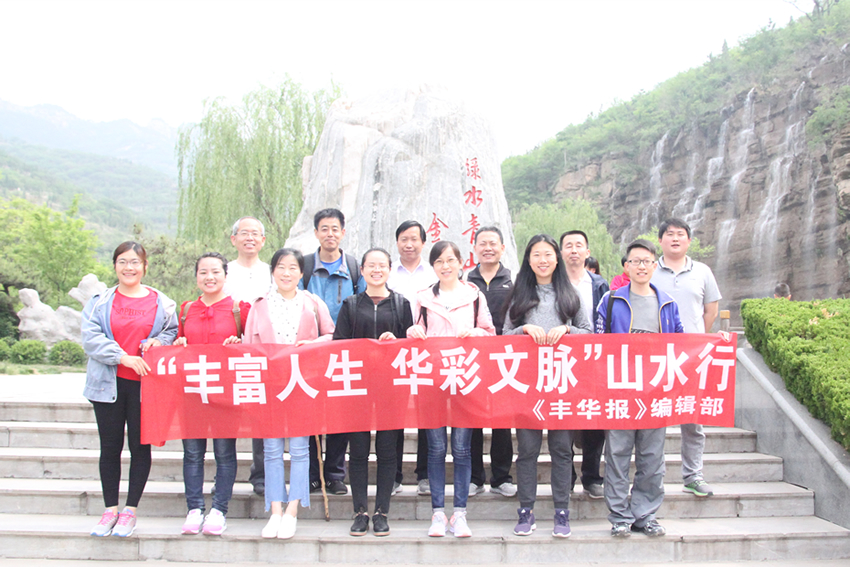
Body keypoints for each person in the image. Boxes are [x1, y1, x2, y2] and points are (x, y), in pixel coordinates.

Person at [82, 241, 178, 537]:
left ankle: (130, 511)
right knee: (110, 447)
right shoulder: (99, 302)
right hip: (107, 384)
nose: (129, 267)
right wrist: (122, 357)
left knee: (140, 447)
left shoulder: (162, 302)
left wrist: (159, 341)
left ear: (145, 266)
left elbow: (172, 331)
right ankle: (109, 510)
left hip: (146, 387)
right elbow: (90, 338)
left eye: (135, 262)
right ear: (115, 265)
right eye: (122, 261)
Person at [503, 234, 592, 538]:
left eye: (548, 254)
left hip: (562, 383)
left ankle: (561, 512)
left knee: (561, 450)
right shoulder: (519, 294)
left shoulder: (570, 294)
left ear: (557, 259)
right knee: (527, 450)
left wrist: (566, 330)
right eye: (536, 255)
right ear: (528, 260)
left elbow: (588, 332)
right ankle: (526, 510)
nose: (543, 260)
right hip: (527, 385)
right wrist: (523, 329)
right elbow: (504, 336)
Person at [243, 247, 335, 539]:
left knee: (299, 449)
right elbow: (247, 347)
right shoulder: (259, 305)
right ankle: (275, 511)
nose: (287, 273)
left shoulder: (312, 302)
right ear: (273, 271)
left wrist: (313, 345)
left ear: (301, 272)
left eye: (293, 268)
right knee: (271, 450)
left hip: (301, 384)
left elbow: (332, 335)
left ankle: (293, 510)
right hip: (269, 385)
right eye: (281, 267)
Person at [407, 240, 496, 538]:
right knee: (435, 448)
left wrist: (475, 333)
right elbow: (415, 332)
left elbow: (490, 333)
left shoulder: (474, 296)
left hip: (465, 379)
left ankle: (459, 513)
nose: (445, 266)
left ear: (461, 262)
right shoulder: (422, 298)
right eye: (439, 262)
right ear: (433, 266)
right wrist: (413, 331)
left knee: (461, 448)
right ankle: (437, 513)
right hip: (432, 381)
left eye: (450, 260)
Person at [596, 238, 684, 538]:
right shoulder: (610, 301)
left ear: (655, 265)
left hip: (655, 393)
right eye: (635, 261)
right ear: (626, 266)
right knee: (617, 455)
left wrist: (718, 342)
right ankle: (619, 516)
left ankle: (644, 515)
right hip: (620, 391)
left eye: (647, 261)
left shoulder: (667, 303)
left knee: (652, 458)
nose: (641, 266)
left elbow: (682, 344)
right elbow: (597, 345)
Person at [334, 248, 414, 537]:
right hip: (357, 388)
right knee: (357, 452)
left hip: (392, 389)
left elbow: (411, 347)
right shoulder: (351, 305)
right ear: (363, 270)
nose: (376, 270)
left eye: (382, 265)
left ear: (390, 270)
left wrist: (396, 341)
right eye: (371, 265)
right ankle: (360, 512)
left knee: (387, 451)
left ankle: (381, 512)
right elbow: (339, 345)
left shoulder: (402, 304)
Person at [174, 252, 250, 536]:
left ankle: (219, 509)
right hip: (192, 391)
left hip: (225, 392)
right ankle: (194, 508)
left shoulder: (238, 309)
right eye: (203, 272)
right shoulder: (186, 309)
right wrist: (178, 343)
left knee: (224, 452)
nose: (209, 277)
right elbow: (177, 341)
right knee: (192, 453)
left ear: (225, 276)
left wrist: (239, 342)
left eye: (215, 272)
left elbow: (254, 346)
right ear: (196, 277)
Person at [651, 218, 722, 498]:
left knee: (693, 418)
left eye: (680, 234)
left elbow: (711, 311)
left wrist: (696, 340)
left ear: (689, 241)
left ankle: (693, 475)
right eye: (669, 234)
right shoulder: (650, 269)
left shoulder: (702, 271)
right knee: (654, 420)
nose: (675, 238)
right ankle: (653, 476)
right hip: (656, 356)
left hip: (692, 357)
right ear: (660, 241)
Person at [301, 208, 366, 496]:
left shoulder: (353, 268)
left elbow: (365, 302)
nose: (330, 234)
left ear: (343, 232)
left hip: (344, 353)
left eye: (335, 229)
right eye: (324, 228)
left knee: (341, 415)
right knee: (311, 413)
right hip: (309, 352)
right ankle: (313, 474)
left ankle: (335, 474)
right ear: (316, 232)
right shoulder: (304, 266)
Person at [386, 220, 437, 496]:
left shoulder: (433, 274)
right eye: (404, 239)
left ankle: (425, 475)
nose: (409, 244)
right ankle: (393, 475)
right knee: (394, 414)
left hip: (426, 350)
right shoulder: (386, 272)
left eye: (414, 239)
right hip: (392, 350)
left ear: (423, 243)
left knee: (426, 414)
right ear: (397, 242)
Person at [222, 216, 273, 497]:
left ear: (263, 240)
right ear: (234, 239)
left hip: (264, 352)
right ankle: (224, 475)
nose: (249, 238)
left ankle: (261, 474)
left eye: (255, 234)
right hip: (229, 351)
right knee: (226, 413)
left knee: (261, 414)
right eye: (244, 233)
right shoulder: (223, 271)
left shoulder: (273, 271)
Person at [464, 226, 516, 498]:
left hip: (503, 359)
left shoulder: (513, 282)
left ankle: (501, 477)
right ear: (474, 248)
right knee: (471, 419)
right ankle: (475, 478)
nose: (488, 248)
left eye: (493, 243)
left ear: (502, 248)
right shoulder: (465, 282)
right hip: (472, 358)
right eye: (482, 243)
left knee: (501, 421)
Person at [560, 230, 610, 500]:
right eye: (568, 246)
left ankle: (591, 476)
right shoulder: (552, 282)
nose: (574, 250)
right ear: (561, 252)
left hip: (593, 359)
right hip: (560, 359)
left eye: (579, 245)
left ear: (587, 252)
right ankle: (565, 477)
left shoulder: (600, 285)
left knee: (594, 420)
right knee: (563, 419)